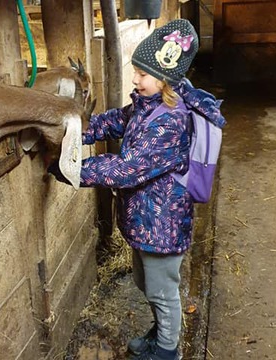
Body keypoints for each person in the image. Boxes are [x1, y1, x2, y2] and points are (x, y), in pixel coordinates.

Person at [49, 19, 226, 360]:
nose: (135, 79)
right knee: (147, 285)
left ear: (165, 79)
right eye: (136, 71)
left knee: (162, 291)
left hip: (163, 225)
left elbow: (127, 169)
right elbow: (115, 120)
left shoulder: (170, 121)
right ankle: (161, 331)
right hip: (146, 221)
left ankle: (167, 350)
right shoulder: (147, 106)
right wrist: (76, 130)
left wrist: (73, 170)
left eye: (143, 74)